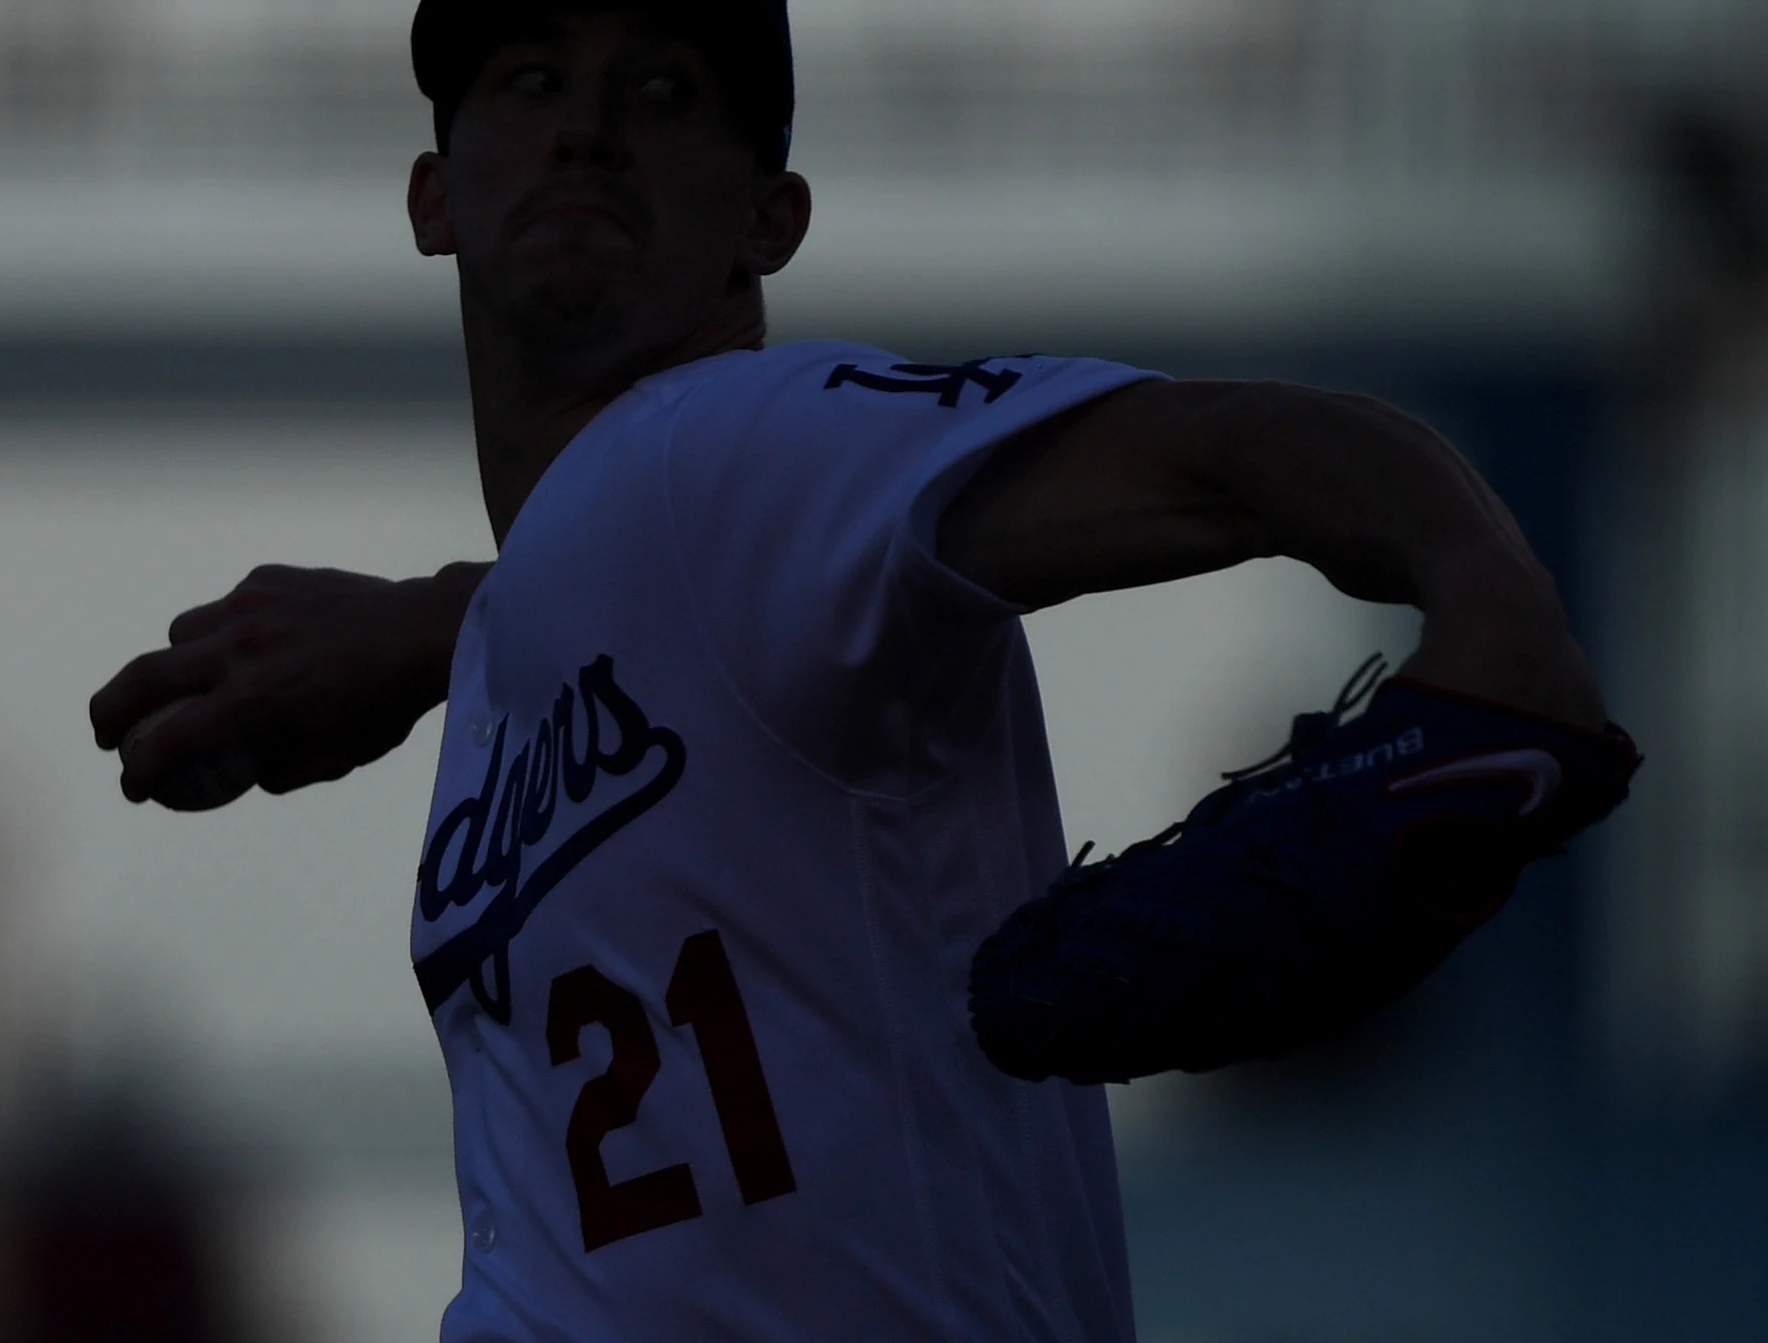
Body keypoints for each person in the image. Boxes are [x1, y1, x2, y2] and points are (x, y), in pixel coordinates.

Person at [90, 3, 1620, 1338]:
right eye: (530, 77)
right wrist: (449, 625)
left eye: (667, 90)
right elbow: (649, 601)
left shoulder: (747, 446)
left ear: (771, 218)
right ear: (433, 196)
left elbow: (1226, 447)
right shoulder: (577, 607)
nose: (588, 130)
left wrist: (1491, 616)